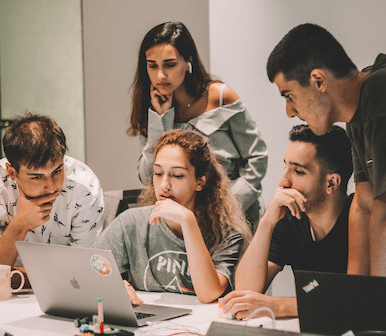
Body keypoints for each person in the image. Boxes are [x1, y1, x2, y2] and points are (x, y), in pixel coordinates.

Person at [266, 23, 386, 278]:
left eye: (289, 95)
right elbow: (363, 204)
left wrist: (377, 300)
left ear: (319, 81)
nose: (290, 111)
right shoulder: (357, 117)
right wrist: (352, 294)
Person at [129, 21, 268, 232]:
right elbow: (147, 176)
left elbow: (257, 158)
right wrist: (161, 119)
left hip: (235, 219)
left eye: (170, 64)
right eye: (152, 65)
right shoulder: (151, 105)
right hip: (179, 221)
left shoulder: (221, 96)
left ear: (188, 61)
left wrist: (231, 205)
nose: (160, 76)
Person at [92, 129, 251, 304]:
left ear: (200, 181)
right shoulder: (131, 222)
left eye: (177, 175)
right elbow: (87, 270)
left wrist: (187, 221)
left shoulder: (226, 234)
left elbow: (208, 294)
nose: (165, 185)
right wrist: (115, 286)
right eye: (158, 173)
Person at [222, 124, 353, 319]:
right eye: (286, 167)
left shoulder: (361, 217)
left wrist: (278, 306)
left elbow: (361, 299)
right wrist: (267, 222)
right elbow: (245, 290)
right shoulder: (290, 219)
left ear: (331, 183)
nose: (283, 181)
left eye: (298, 172)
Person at [0, 113, 104, 283]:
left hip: (68, 294)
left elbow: (85, 271)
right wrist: (20, 225)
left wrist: (14, 276)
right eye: (37, 177)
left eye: (57, 171)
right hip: (3, 296)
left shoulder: (84, 187)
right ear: (12, 173)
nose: (52, 186)